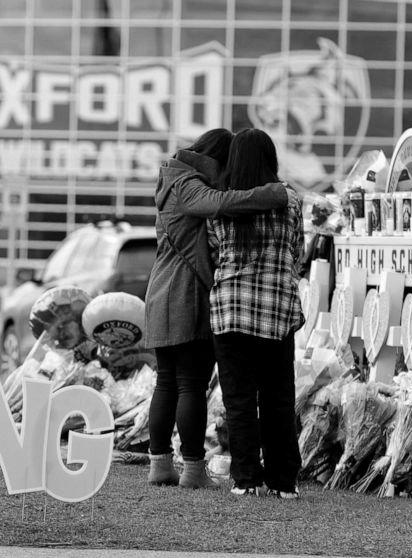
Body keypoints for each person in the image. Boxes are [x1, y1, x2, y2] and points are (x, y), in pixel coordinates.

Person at [144, 129, 289, 488]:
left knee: (167, 381)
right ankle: (192, 469)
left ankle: (160, 464)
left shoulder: (172, 176)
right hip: (186, 293)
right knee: (190, 381)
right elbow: (220, 203)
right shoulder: (188, 184)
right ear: (217, 159)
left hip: (161, 289)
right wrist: (272, 193)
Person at [207, 128, 305, 499]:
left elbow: (215, 250)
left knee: (239, 399)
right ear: (270, 159)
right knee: (279, 397)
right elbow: (298, 252)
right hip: (277, 311)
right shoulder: (291, 202)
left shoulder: (221, 204)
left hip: (231, 310)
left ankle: (246, 478)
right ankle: (284, 481)